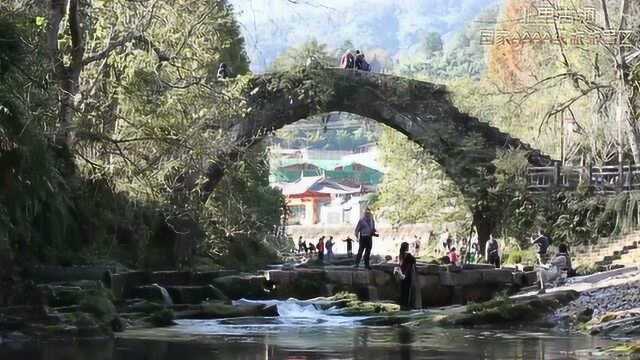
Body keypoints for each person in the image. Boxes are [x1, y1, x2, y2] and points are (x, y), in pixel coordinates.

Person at [395, 242, 418, 310]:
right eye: (408, 246)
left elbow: (400, 264)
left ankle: (402, 304)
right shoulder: (408, 255)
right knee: (407, 291)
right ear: (406, 247)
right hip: (407, 274)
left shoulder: (400, 255)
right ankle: (406, 305)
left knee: (402, 290)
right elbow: (414, 260)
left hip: (401, 274)